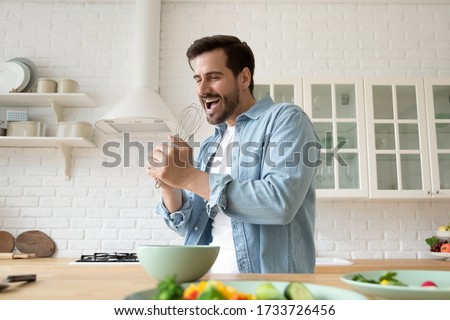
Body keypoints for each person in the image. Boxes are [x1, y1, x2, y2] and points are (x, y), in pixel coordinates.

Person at [146, 35, 320, 274]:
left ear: (244, 78)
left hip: (269, 289)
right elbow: (191, 226)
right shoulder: (211, 144)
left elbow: (280, 203)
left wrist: (187, 176)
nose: (202, 89)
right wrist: (170, 185)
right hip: (211, 281)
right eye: (197, 79)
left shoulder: (284, 119)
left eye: (213, 77)